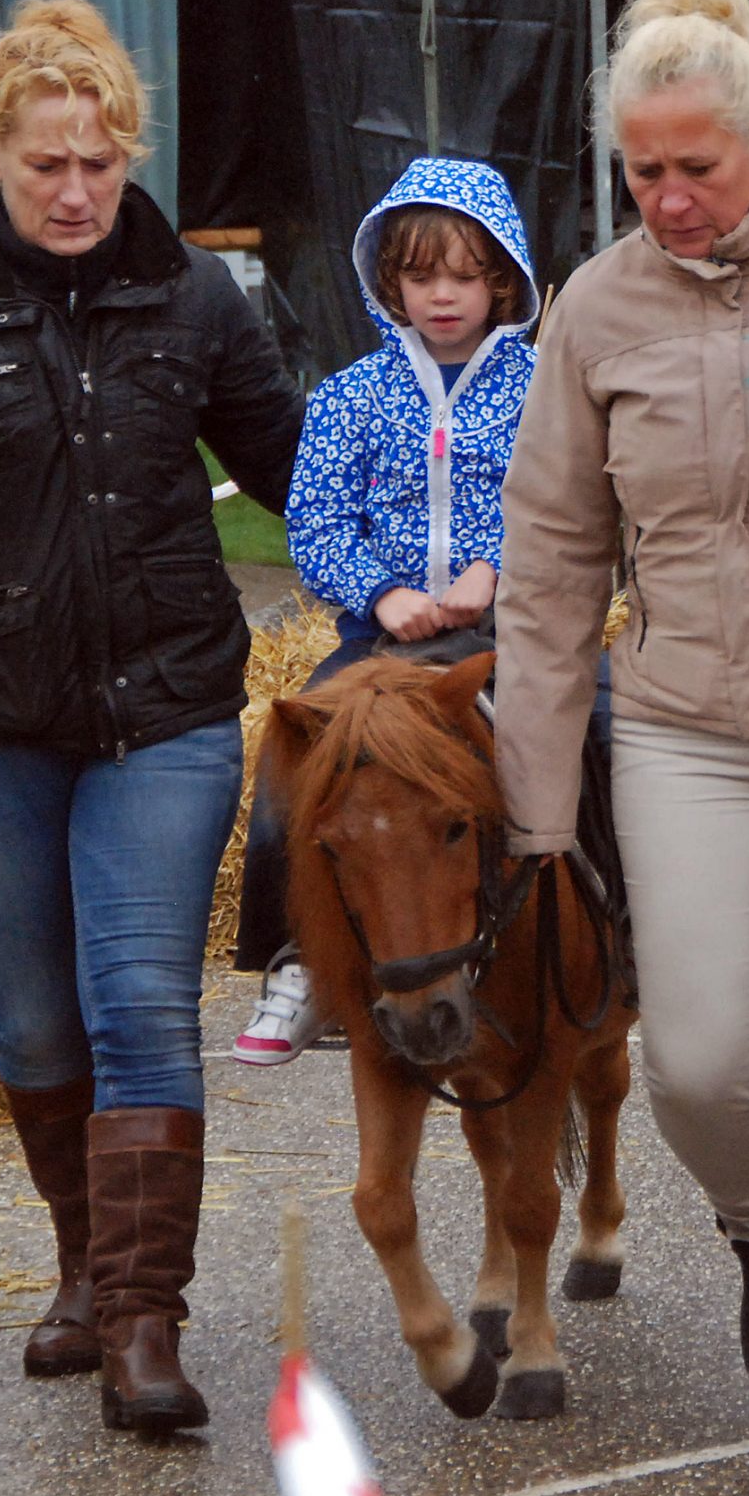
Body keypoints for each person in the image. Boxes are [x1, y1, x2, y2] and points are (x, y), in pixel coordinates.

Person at [493, 0, 749, 1496]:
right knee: (698, 1065)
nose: (667, 197)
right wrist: (534, 809)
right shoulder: (595, 309)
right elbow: (549, 563)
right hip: (685, 727)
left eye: (694, 168)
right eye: (639, 171)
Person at [0, 0, 304, 1434]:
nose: (76, 191)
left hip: (166, 713)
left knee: (139, 1001)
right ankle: (83, 1264)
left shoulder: (195, 299)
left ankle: (148, 1324)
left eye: (99, 161)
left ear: (129, 154)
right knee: (30, 1022)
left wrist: (411, 574)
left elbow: (287, 465)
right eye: (45, 165)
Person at [231, 155, 540, 1064]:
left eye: (463, 275)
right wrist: (382, 593)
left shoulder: (540, 389)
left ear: (502, 280)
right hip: (380, 644)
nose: (441, 295)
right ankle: (295, 964)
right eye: (419, 275)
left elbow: (571, 503)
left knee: (600, 730)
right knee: (293, 765)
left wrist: (499, 568)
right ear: (387, 282)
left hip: (507, 634)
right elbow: (315, 521)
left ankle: (627, 931)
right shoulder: (346, 399)